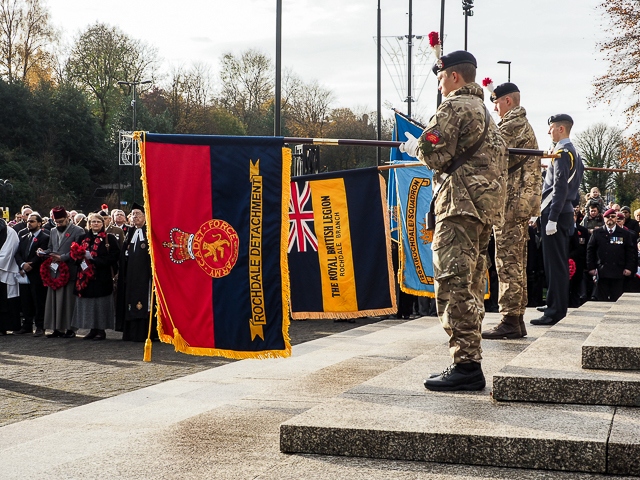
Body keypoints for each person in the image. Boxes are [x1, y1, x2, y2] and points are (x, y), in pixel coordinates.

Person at [400, 50, 507, 391]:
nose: (440, 84)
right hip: (483, 211)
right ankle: (468, 359)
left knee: (452, 285)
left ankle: (466, 365)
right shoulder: (487, 115)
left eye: (441, 77)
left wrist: (414, 146)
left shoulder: (454, 107)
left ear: (454, 77)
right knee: (472, 285)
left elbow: (433, 153)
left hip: (459, 207)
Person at [481, 82, 540, 340]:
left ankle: (510, 319)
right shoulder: (518, 123)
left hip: (512, 205)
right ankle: (515, 318)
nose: (494, 108)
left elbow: (489, 151)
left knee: (509, 262)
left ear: (507, 101)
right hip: (514, 204)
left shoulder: (513, 124)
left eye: (496, 103)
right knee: (514, 261)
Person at [531, 114, 584, 326]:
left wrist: (551, 217)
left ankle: (555, 311)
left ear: (561, 129)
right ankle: (554, 302)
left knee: (557, 264)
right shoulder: (573, 152)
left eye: (551, 127)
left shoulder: (563, 152)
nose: (548, 131)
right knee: (553, 263)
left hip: (557, 212)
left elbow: (561, 187)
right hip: (560, 211)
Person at [71, 213, 120, 340]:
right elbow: (74, 255)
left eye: (98, 222)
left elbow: (114, 256)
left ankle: (101, 330)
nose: (96, 224)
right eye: (93, 222)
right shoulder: (82, 238)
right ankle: (92, 329)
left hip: (101, 276)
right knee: (89, 304)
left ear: (103, 224)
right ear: (89, 224)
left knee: (101, 304)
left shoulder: (109, 238)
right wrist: (79, 258)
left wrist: (94, 259)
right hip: (85, 277)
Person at [39, 206, 86, 338]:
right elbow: (51, 248)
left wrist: (63, 257)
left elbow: (78, 250)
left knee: (68, 301)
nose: (58, 224)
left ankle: (71, 329)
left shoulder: (78, 230)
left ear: (67, 218)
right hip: (55, 271)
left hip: (69, 270)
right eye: (56, 222)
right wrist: (43, 252)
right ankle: (57, 328)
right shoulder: (53, 231)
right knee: (55, 300)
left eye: (61, 221)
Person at [116, 203, 155, 342]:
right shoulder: (130, 232)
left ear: (145, 216)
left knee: (144, 303)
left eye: (138, 214)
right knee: (130, 302)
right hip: (131, 275)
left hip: (144, 275)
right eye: (133, 214)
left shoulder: (149, 232)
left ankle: (144, 333)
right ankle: (130, 333)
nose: (135, 217)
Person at [587, 208, 636, 302]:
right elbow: (590, 251)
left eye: (613, 217)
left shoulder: (624, 233)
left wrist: (629, 268)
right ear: (603, 218)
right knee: (602, 300)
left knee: (617, 299)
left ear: (616, 218)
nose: (610, 218)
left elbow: (630, 252)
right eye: (607, 217)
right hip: (602, 271)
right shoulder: (597, 233)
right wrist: (591, 267)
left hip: (619, 270)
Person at [13, 213, 50, 336]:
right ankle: (27, 325)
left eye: (32, 221)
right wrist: (22, 264)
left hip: (37, 273)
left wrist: (31, 264)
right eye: (28, 221)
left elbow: (42, 254)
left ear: (39, 223)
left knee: (38, 300)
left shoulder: (45, 237)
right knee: (25, 300)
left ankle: (40, 326)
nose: (29, 223)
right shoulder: (23, 237)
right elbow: (17, 254)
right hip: (24, 274)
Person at [0, 218, 21, 335]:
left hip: (6, 270)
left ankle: (7, 326)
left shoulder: (10, 232)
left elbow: (9, 250)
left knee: (7, 300)